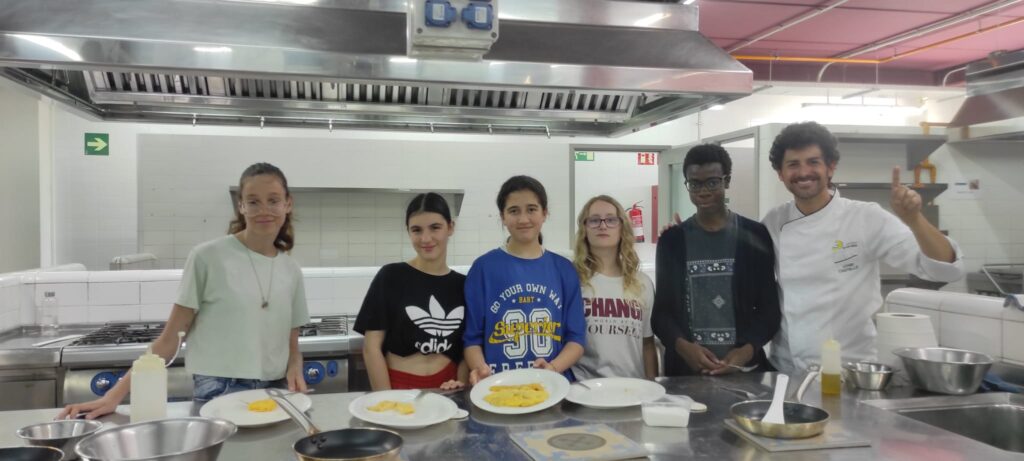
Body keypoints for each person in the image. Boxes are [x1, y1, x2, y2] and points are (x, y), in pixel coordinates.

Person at [59, 162, 309, 419]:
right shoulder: (207, 258)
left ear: (287, 204)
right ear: (241, 206)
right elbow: (170, 340)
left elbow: (291, 342)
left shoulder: (291, 269)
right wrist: (113, 397)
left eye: (273, 200)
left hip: (276, 390)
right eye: (253, 202)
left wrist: (294, 365)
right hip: (220, 388)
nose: (264, 210)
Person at [762, 122, 965, 373]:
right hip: (785, 369)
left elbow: (943, 269)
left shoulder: (865, 218)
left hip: (849, 369)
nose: (804, 172)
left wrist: (915, 219)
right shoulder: (773, 222)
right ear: (781, 173)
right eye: (793, 164)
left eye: (813, 162)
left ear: (830, 167)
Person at [652, 144, 781, 376]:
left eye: (712, 182)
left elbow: (769, 309)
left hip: (744, 371)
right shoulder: (672, 241)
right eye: (695, 184)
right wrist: (683, 347)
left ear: (726, 181)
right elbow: (662, 313)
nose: (703, 192)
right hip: (686, 372)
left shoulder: (755, 235)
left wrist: (746, 351)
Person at [463, 175, 586, 384]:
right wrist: (481, 370)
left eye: (531, 209)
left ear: (544, 213)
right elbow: (472, 339)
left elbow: (576, 338)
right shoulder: (483, 268)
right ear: (502, 216)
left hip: (552, 385)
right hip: (500, 386)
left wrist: (553, 368)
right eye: (514, 211)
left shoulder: (564, 269)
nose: (523, 219)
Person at [354, 193, 468, 390]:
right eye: (416, 230)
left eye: (435, 227)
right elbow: (371, 347)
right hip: (399, 385)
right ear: (408, 231)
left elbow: (467, 348)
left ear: (450, 227)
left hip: (448, 387)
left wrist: (460, 386)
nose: (426, 238)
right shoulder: (391, 276)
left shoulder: (463, 284)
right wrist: (386, 398)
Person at [571, 195, 658, 380]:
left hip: (632, 388)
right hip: (585, 388)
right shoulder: (572, 280)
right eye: (594, 220)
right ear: (585, 229)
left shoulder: (642, 283)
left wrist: (653, 387)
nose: (603, 226)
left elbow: (647, 344)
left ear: (622, 227)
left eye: (611, 220)